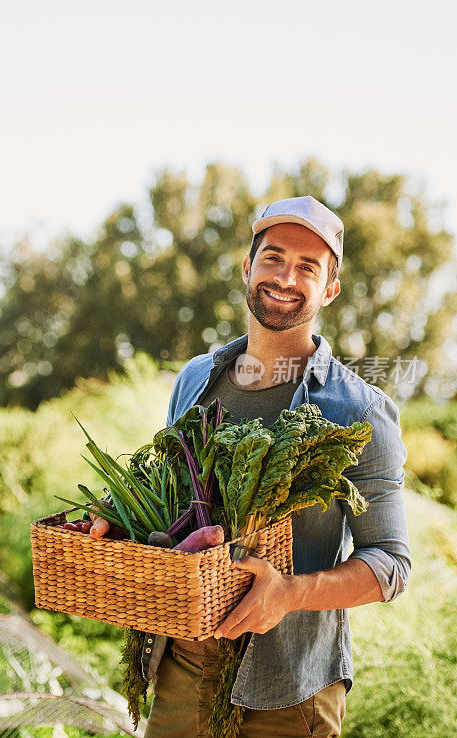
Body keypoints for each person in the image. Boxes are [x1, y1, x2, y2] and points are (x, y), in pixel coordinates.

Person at [91, 196, 411, 737]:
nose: (286, 277)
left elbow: (391, 564)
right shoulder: (197, 379)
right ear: (247, 267)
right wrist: (116, 519)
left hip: (287, 692)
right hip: (180, 669)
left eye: (308, 267)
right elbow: (172, 496)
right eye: (273, 258)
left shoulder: (360, 411)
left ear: (329, 288)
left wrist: (289, 594)